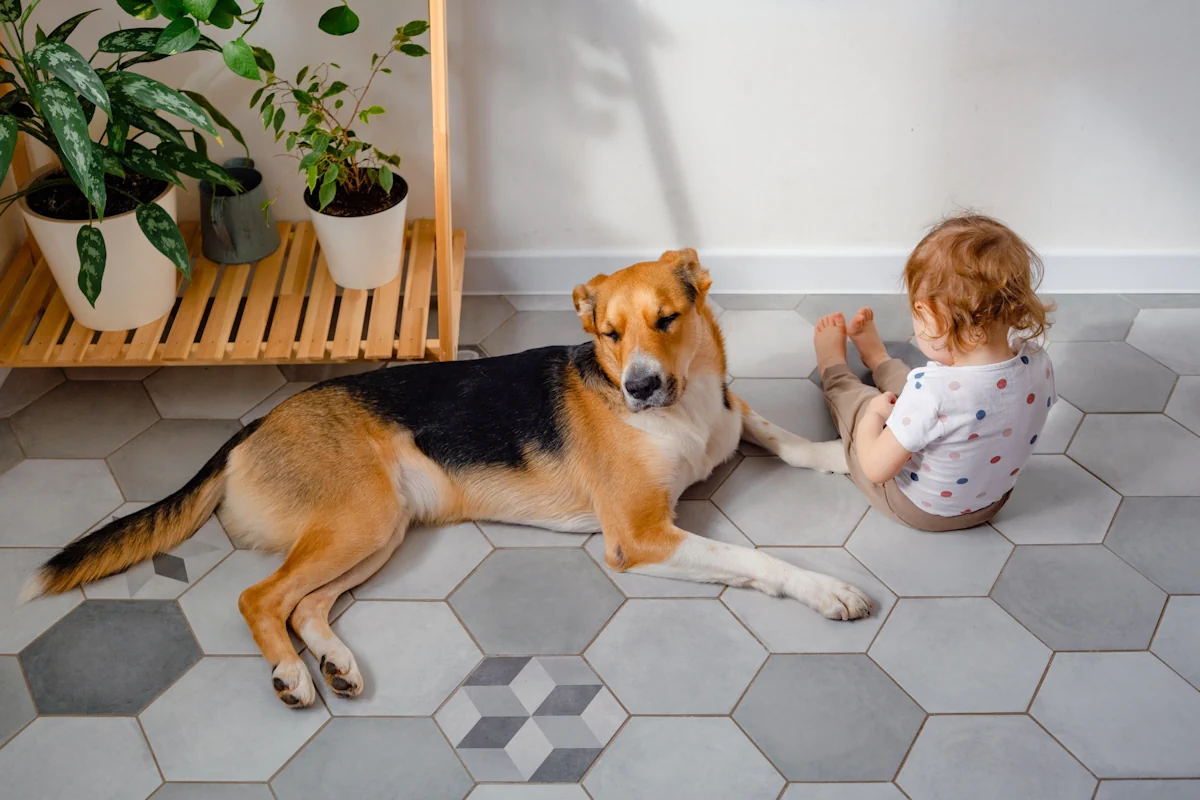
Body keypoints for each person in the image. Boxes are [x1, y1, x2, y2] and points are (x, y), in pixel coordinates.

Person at [813, 214, 1055, 531]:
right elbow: (971, 406)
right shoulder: (1038, 362)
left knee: (863, 404)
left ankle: (833, 367)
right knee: (922, 398)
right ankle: (879, 358)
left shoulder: (933, 394)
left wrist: (874, 414)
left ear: (930, 316)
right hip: (992, 502)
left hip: (919, 509)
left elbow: (875, 468)